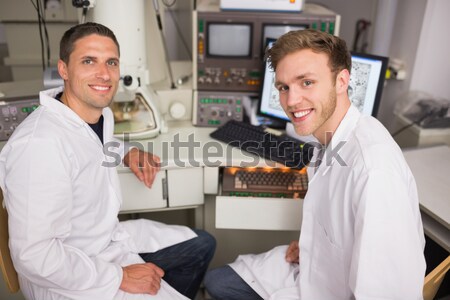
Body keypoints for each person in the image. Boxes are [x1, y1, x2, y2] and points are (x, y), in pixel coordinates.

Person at [204, 29, 426, 299]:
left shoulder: (373, 170)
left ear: (342, 81)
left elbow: (387, 293)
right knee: (216, 282)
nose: (292, 101)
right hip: (312, 271)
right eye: (284, 87)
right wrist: (313, 245)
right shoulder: (328, 140)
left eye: (306, 82)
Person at [0, 22, 215, 300]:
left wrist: (127, 151)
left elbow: (91, 142)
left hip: (104, 241)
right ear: (63, 69)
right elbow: (35, 256)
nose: (104, 74)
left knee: (202, 244)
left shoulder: (96, 114)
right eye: (89, 61)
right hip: (71, 277)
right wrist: (121, 276)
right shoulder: (39, 146)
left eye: (111, 62)